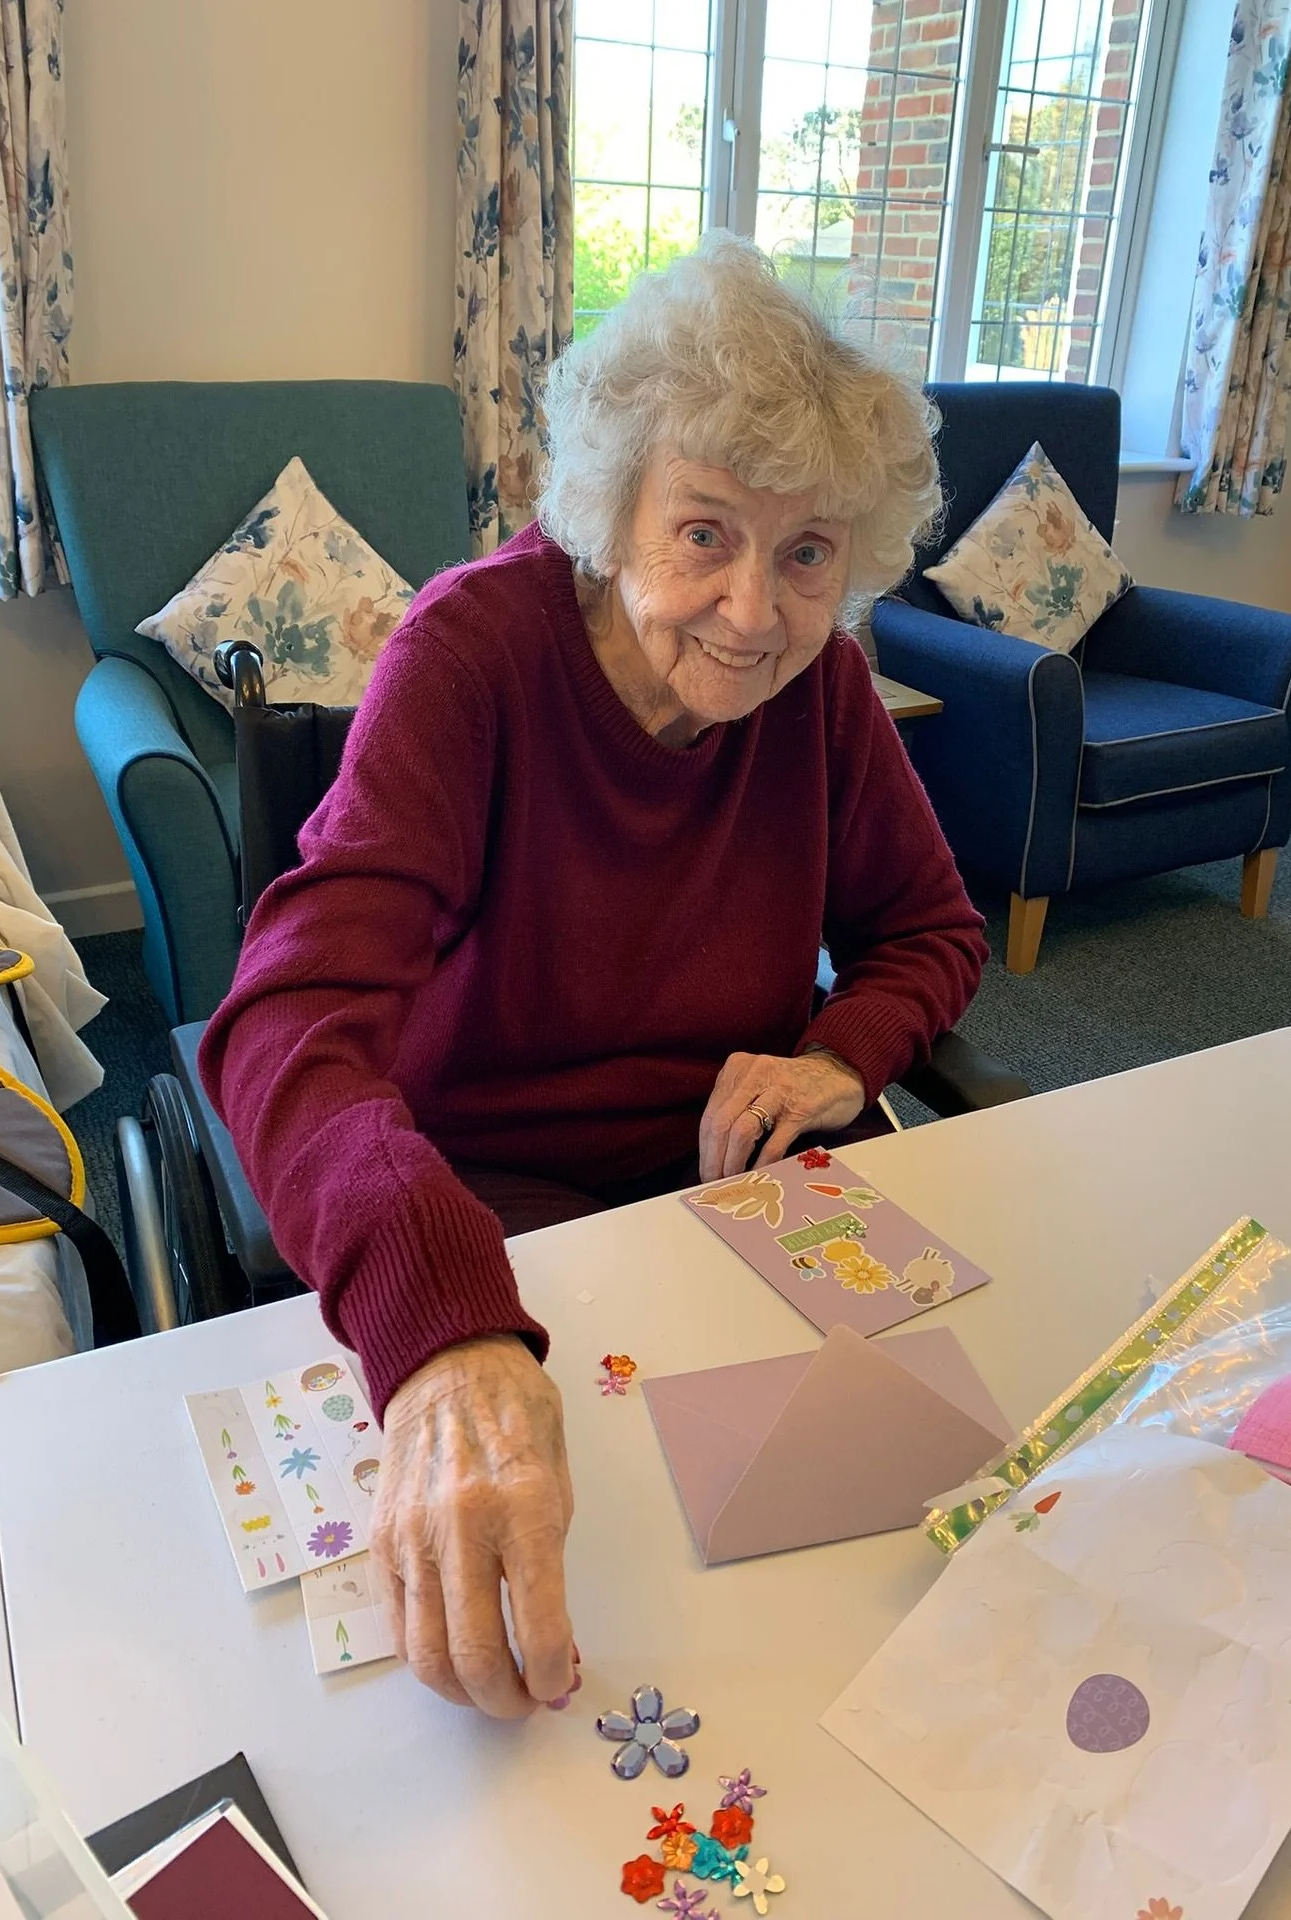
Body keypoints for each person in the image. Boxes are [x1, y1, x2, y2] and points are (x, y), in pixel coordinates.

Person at [199, 231, 987, 1721]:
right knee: (550, 1674)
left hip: (731, 1213)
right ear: (612, 510)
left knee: (868, 1626)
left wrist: (844, 1053)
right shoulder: (471, 658)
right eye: (706, 532)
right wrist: (438, 1327)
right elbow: (283, 1020)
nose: (755, 613)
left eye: (808, 551)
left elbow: (934, 933)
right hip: (492, 1224)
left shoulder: (818, 688)